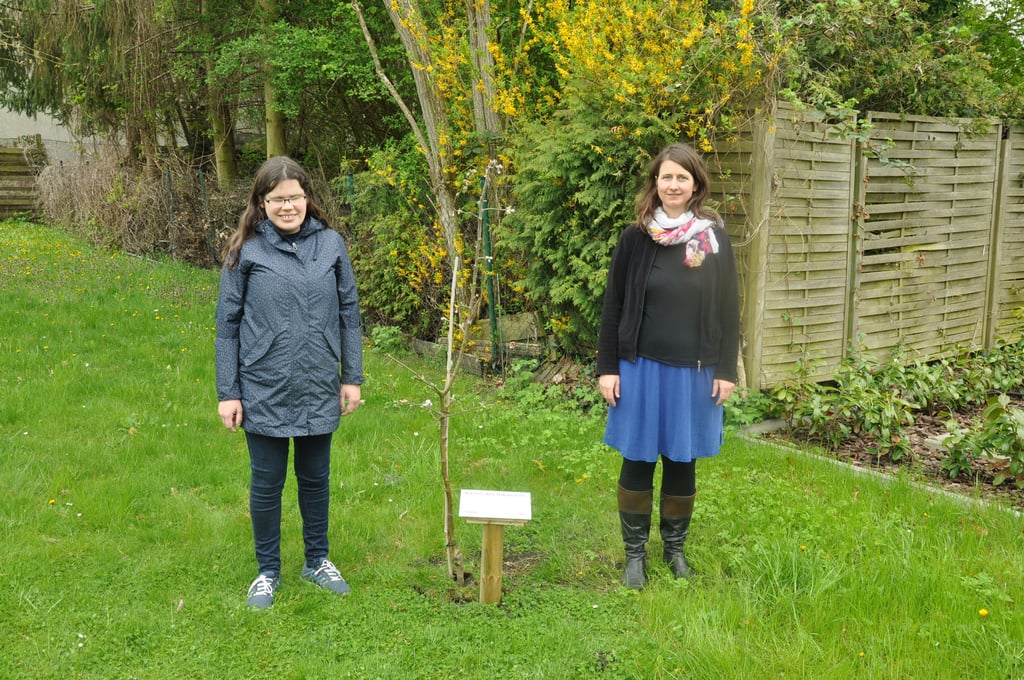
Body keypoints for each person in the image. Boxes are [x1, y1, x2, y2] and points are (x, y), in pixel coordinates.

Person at [215, 156, 364, 609]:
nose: (288, 206)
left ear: (307, 198)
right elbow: (227, 325)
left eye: (295, 197)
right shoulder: (246, 250)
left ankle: (317, 560)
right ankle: (267, 571)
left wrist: (351, 377)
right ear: (262, 203)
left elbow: (349, 315)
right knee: (267, 482)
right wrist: (229, 391)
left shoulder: (332, 245)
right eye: (278, 199)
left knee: (316, 479)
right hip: (263, 386)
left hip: (320, 381)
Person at [597, 142, 740, 590]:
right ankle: (634, 557)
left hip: (695, 372)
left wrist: (725, 370)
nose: (673, 185)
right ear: (655, 185)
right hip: (638, 369)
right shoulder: (634, 238)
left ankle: (675, 551)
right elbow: (613, 307)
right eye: (666, 177)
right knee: (638, 460)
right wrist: (608, 367)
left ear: (696, 184)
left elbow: (729, 309)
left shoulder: (712, 240)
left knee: (682, 461)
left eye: (682, 177)